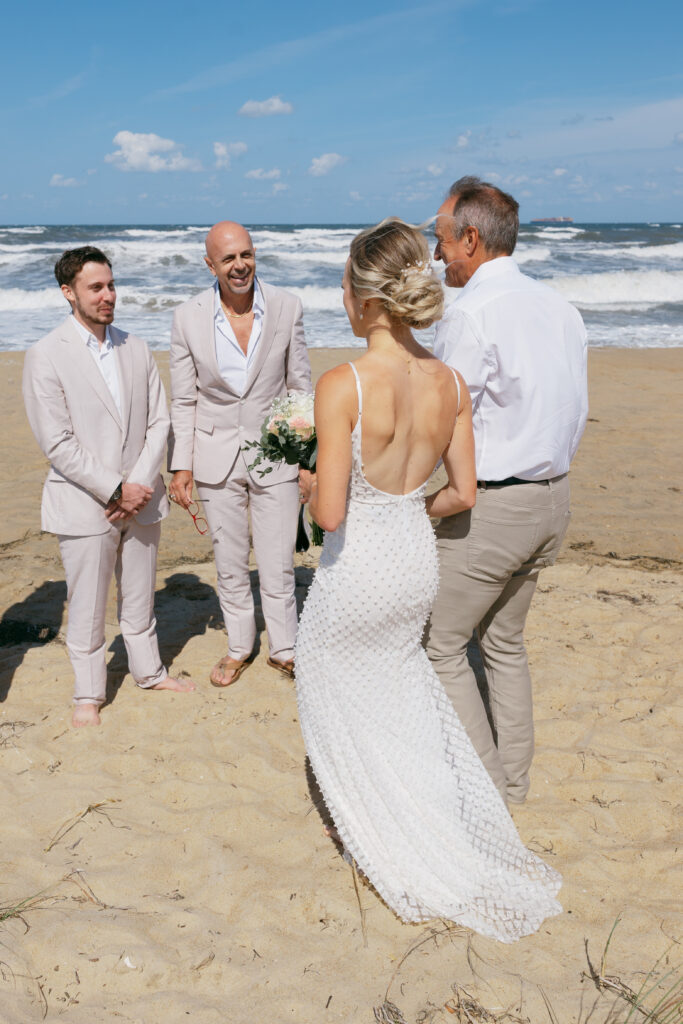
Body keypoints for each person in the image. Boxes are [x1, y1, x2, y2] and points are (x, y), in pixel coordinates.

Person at [294, 219, 562, 941]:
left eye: (343, 287)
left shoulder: (343, 384)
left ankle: (371, 820)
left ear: (364, 298)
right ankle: (423, 807)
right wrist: (408, 506)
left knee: (332, 683)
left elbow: (330, 514)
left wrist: (307, 484)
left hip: (360, 569)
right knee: (400, 689)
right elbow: (463, 493)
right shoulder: (449, 382)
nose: (341, 300)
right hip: (413, 561)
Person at [425, 177, 588, 806]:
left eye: (441, 238)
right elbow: (573, 413)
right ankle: (514, 786)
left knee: (441, 645)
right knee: (503, 642)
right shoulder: (561, 309)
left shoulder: (471, 314)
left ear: (471, 238)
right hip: (553, 498)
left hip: (495, 508)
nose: (436, 253)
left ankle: (488, 791)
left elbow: (443, 421)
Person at [22, 246, 195, 728]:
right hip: (85, 502)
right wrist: (116, 489)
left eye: (111, 285)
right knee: (88, 604)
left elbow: (160, 421)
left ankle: (150, 672)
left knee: (140, 596)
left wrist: (137, 484)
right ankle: (88, 693)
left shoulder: (135, 347)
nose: (108, 295)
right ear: (68, 292)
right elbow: (57, 442)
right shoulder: (45, 354)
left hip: (143, 497)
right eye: (96, 287)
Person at [168, 221, 312, 687]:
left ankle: (284, 648)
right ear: (209, 264)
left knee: (278, 561)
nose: (239, 265)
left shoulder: (287, 306)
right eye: (228, 258)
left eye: (246, 254)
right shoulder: (186, 317)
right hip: (214, 454)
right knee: (229, 562)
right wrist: (181, 465)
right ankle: (239, 647)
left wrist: (304, 460)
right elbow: (184, 399)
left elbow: (299, 388)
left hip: (275, 453)